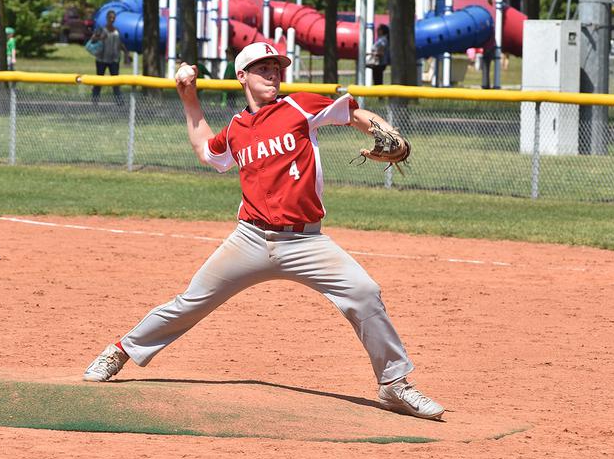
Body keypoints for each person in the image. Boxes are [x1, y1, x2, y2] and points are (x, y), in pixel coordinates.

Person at [83, 42, 444, 420]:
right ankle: (120, 351)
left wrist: (382, 129)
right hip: (250, 239)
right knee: (192, 300)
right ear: (242, 76)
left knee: (364, 292)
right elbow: (206, 150)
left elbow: (352, 114)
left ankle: (394, 386)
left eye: (276, 67)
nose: (273, 74)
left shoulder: (299, 106)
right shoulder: (237, 129)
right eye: (263, 68)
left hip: (306, 241)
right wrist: (187, 96)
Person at [89, 10, 127, 103]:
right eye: (110, 18)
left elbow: (120, 43)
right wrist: (100, 38)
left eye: (113, 18)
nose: (112, 19)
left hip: (114, 59)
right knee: (99, 79)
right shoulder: (101, 29)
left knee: (115, 80)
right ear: (107, 18)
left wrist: (126, 53)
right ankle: (95, 99)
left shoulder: (116, 30)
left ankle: (119, 101)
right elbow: (92, 40)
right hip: (102, 59)